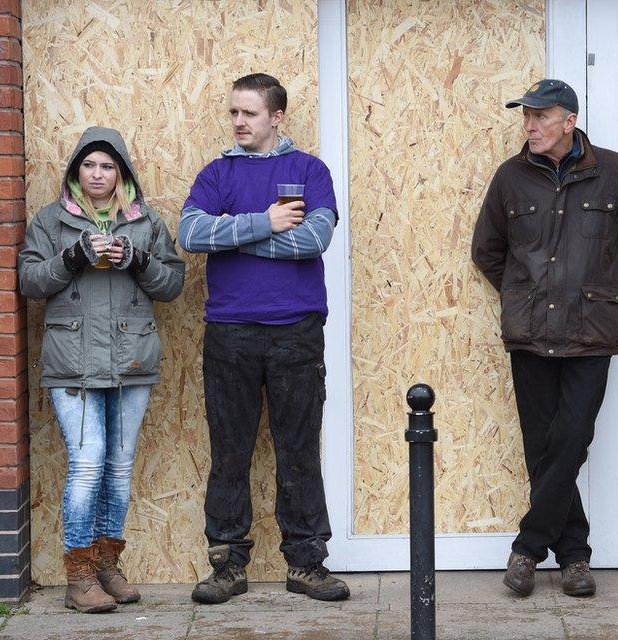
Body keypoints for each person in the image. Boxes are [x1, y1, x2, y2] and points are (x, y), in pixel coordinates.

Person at [471, 79, 618, 597]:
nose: (529, 125)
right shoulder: (510, 178)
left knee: (571, 438)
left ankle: (528, 548)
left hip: (590, 333)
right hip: (530, 334)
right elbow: (488, 251)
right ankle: (574, 557)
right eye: (525, 117)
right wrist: (523, 293)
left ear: (568, 122)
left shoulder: (611, 171)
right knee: (543, 447)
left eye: (540, 116)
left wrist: (599, 292)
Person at [178, 73, 348, 604]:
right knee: (230, 450)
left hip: (296, 331)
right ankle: (227, 565)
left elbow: (313, 240)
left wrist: (234, 236)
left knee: (298, 447)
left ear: (277, 116)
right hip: (230, 332)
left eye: (248, 113)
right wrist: (265, 222)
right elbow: (189, 233)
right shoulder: (216, 173)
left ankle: (306, 564)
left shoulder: (309, 170)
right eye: (233, 113)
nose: (238, 122)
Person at [18, 126, 186, 613]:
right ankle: (79, 577)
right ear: (76, 171)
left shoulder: (145, 222)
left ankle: (108, 566)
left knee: (118, 468)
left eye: (107, 166)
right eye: (89, 165)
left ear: (122, 173)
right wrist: (71, 258)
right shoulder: (50, 222)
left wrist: (136, 259)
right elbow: (29, 280)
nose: (97, 174)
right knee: (88, 464)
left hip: (131, 360)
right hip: (73, 365)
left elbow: (172, 283)